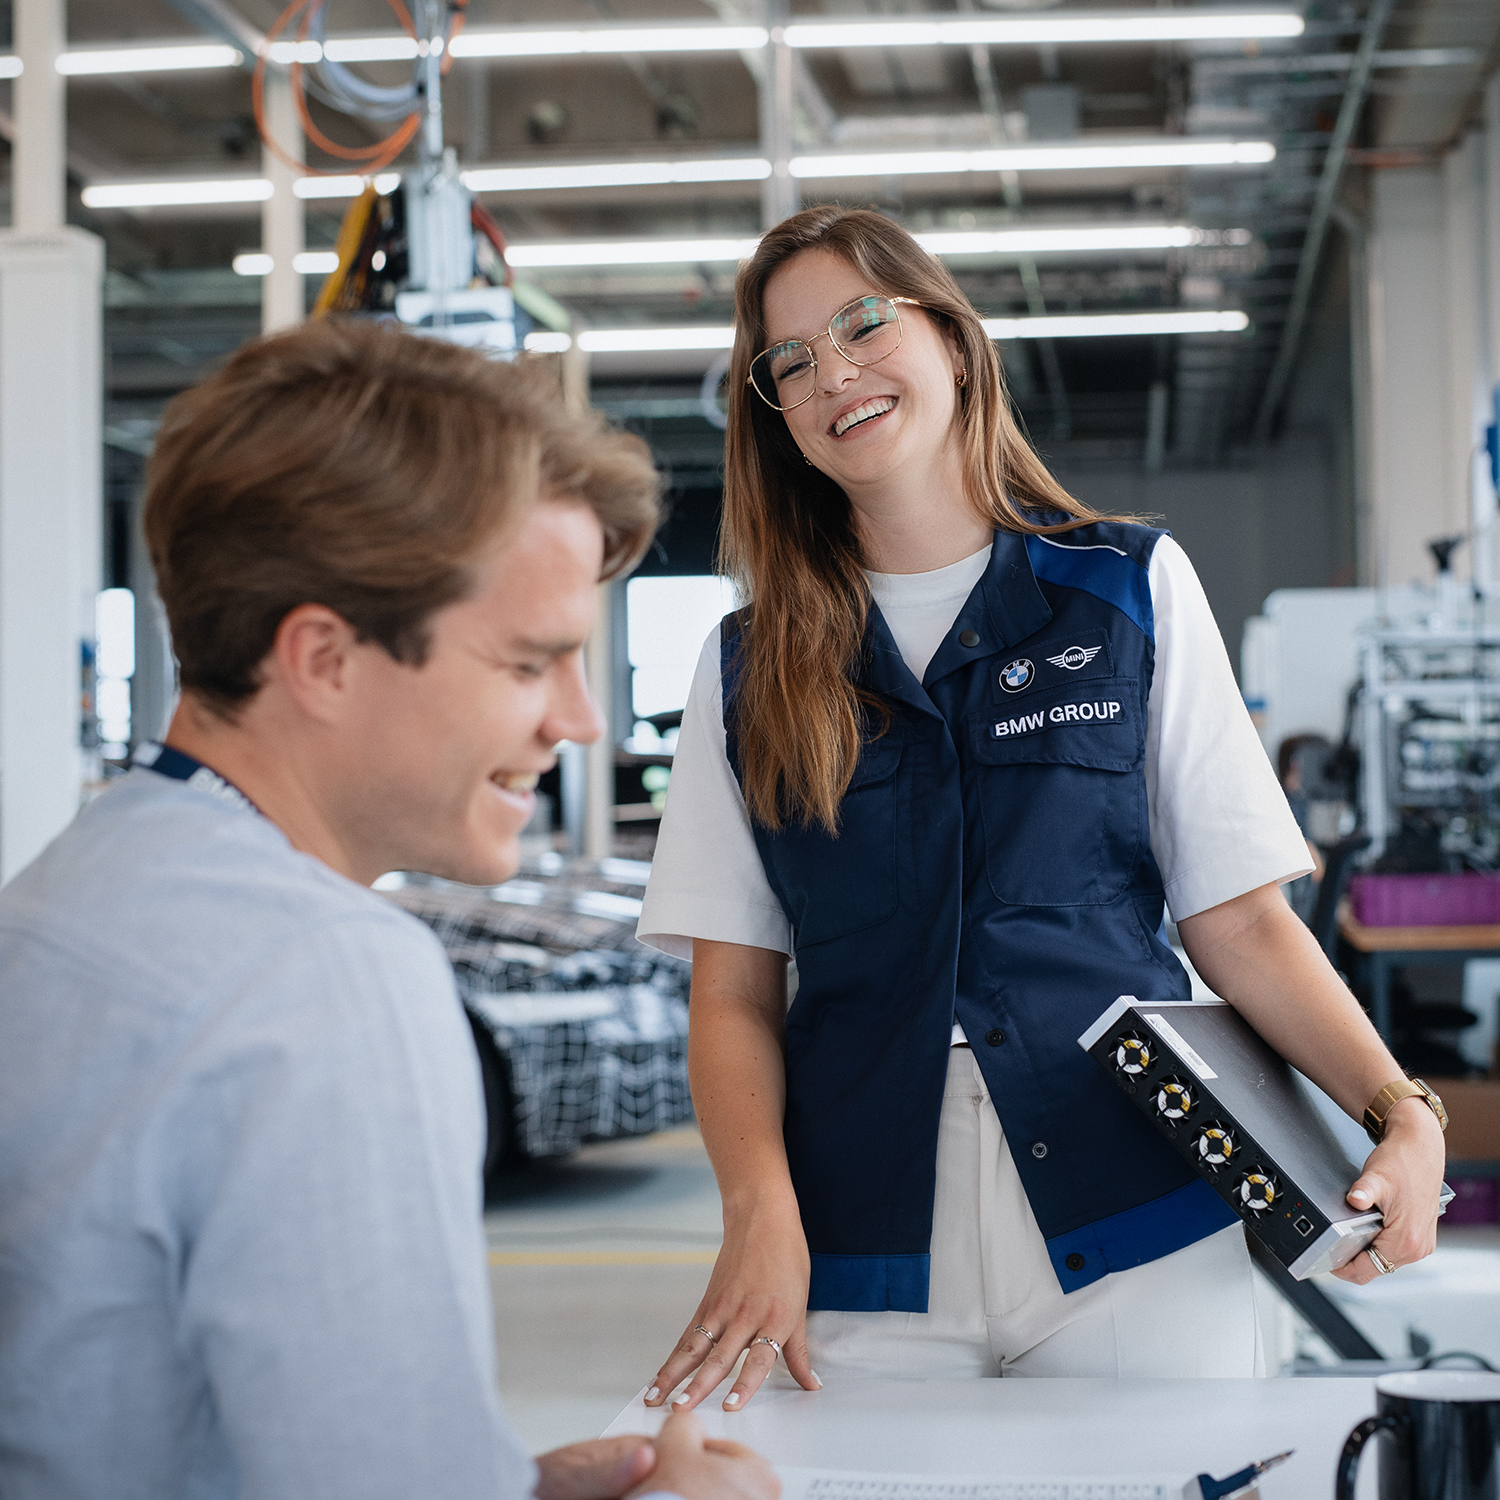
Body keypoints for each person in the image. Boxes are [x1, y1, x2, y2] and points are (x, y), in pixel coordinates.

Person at [636, 206, 1449, 1410]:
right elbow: (734, 990)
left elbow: (1241, 923)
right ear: (778, 422)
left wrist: (1400, 1108)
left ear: (954, 341)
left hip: (1139, 1211)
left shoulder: (1127, 589)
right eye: (790, 362)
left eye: (862, 322)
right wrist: (759, 1210)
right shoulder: (747, 666)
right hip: (863, 1243)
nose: (833, 373)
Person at [0, 321, 777, 1500]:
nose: (581, 722)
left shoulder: (78, 891)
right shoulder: (325, 977)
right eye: (528, 663)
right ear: (321, 659)